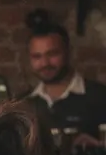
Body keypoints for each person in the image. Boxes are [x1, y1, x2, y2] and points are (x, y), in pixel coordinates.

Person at [25, 8, 106, 144]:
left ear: (69, 52)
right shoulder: (24, 104)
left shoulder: (100, 96)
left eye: (52, 54)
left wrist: (101, 148)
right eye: (37, 56)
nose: (45, 63)